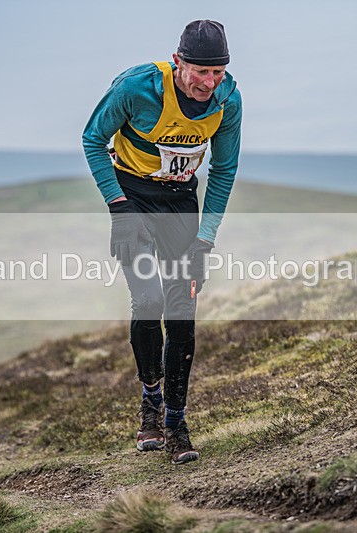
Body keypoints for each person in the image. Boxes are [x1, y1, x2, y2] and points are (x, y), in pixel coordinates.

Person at [82, 20, 242, 464]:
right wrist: (119, 209)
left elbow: (224, 171)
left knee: (182, 310)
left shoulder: (228, 100)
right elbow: (93, 139)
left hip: (180, 204)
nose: (209, 83)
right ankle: (150, 399)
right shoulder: (136, 88)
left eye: (218, 73)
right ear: (178, 62)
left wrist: (205, 240)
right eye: (200, 72)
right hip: (132, 198)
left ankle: (175, 421)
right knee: (149, 301)